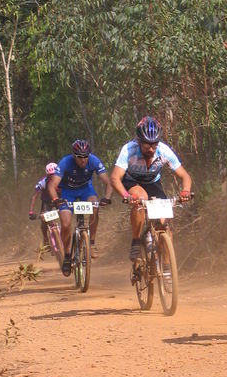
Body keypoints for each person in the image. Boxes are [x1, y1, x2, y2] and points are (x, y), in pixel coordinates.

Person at [110, 116, 192, 261]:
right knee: (141, 198)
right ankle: (135, 241)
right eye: (147, 146)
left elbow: (185, 176)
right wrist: (125, 195)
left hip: (153, 183)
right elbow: (115, 178)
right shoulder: (129, 149)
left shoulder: (164, 150)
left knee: (164, 225)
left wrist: (185, 191)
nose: (151, 149)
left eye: (154, 144)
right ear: (139, 141)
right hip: (132, 181)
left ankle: (167, 268)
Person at [47, 139, 113, 276]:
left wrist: (106, 198)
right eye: (79, 157)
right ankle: (66, 255)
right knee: (65, 223)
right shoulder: (65, 162)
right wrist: (56, 199)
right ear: (74, 156)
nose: (83, 161)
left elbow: (108, 182)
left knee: (95, 206)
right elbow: (52, 185)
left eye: (85, 157)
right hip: (68, 192)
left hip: (86, 190)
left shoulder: (94, 160)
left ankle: (92, 242)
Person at [29, 162, 59, 248]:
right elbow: (34, 197)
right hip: (47, 201)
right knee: (44, 219)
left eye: (54, 174)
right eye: (50, 175)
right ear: (47, 175)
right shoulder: (42, 182)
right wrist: (31, 211)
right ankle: (45, 238)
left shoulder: (63, 179)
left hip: (59, 199)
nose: (52, 177)